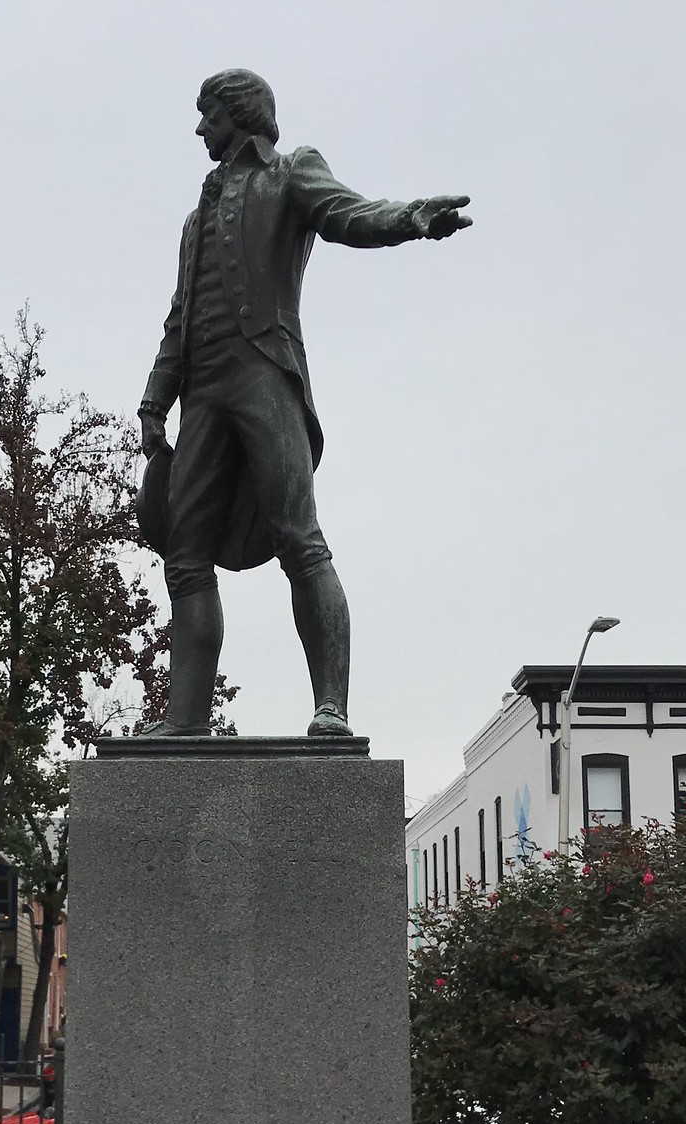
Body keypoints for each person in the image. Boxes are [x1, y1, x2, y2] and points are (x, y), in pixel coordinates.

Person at [138, 69, 471, 736]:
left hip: (265, 375)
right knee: (185, 555)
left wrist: (408, 218)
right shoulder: (193, 219)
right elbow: (180, 318)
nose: (200, 128)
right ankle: (185, 719)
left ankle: (331, 706)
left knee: (299, 539)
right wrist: (155, 400)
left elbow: (347, 213)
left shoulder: (290, 172)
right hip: (201, 398)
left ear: (239, 115)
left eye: (209, 115)